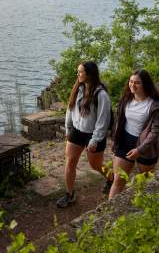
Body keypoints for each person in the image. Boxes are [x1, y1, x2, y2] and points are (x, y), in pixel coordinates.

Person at [57, 61, 113, 208]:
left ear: (89, 74)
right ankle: (70, 194)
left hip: (93, 135)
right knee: (70, 162)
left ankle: (111, 177)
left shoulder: (101, 95)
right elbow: (70, 109)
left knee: (95, 165)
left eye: (80, 72)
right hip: (76, 131)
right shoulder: (79, 88)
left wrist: (94, 140)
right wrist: (68, 128)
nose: (78, 74)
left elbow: (103, 120)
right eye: (78, 71)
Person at [108, 69, 159, 200]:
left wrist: (140, 150)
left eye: (137, 83)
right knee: (118, 181)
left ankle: (147, 211)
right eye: (131, 81)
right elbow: (119, 121)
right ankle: (110, 215)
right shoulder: (126, 99)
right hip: (125, 142)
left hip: (146, 147)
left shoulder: (156, 106)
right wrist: (115, 139)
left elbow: (156, 131)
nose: (132, 85)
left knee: (146, 182)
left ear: (145, 84)